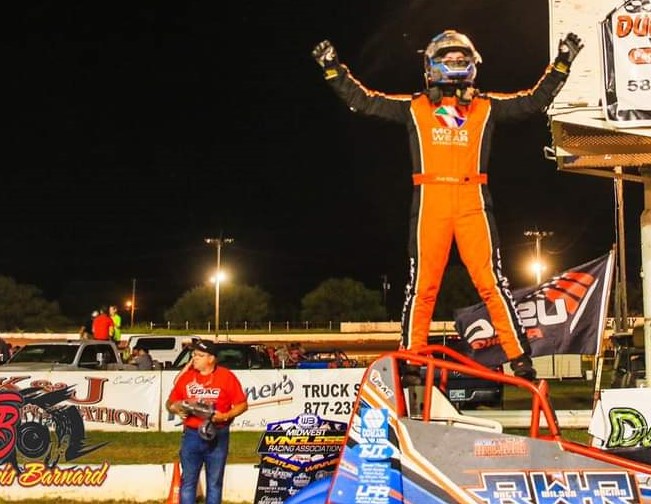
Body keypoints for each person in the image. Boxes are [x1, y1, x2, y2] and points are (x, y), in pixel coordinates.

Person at [311, 30, 584, 382]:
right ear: (431, 66)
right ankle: (410, 360)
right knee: (423, 285)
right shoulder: (415, 107)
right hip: (430, 200)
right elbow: (364, 101)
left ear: (472, 65)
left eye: (461, 61)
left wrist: (562, 64)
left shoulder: (486, 107)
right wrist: (333, 69)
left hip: (473, 200)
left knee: (492, 283)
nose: (455, 66)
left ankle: (520, 359)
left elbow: (533, 100)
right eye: (449, 60)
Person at [166, 339, 248, 504]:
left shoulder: (226, 376)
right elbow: (170, 402)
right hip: (191, 434)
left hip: (218, 433)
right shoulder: (187, 377)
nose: (194, 358)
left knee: (215, 483)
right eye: (194, 355)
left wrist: (225, 415)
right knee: (188, 482)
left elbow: (242, 404)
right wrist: (176, 408)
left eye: (199, 355)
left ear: (211, 358)